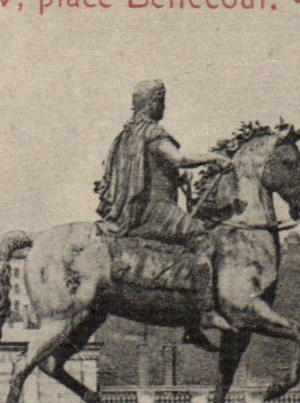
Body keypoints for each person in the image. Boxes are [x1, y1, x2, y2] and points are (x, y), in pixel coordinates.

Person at [95, 79, 234, 342]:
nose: (164, 107)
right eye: (162, 101)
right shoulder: (151, 132)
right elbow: (179, 158)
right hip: (155, 210)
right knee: (204, 239)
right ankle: (204, 314)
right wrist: (214, 158)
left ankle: (189, 320)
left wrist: (175, 180)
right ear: (153, 102)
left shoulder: (126, 134)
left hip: (132, 210)